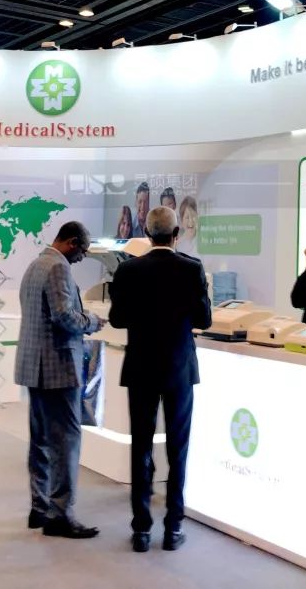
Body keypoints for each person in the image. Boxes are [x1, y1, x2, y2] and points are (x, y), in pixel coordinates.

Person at [109, 207, 211, 552]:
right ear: (176, 233)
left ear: (148, 234)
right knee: (178, 449)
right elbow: (204, 319)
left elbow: (118, 319)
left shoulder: (128, 269)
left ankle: (141, 530)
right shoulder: (192, 268)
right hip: (178, 368)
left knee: (141, 446)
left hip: (140, 367)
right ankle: (173, 528)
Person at [16, 221, 106, 539]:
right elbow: (64, 316)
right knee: (66, 441)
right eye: (83, 251)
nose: (82, 257)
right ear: (71, 242)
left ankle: (40, 507)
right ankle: (61, 514)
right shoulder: (58, 267)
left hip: (34, 366)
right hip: (57, 367)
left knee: (41, 440)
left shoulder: (35, 265)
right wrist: (92, 321)